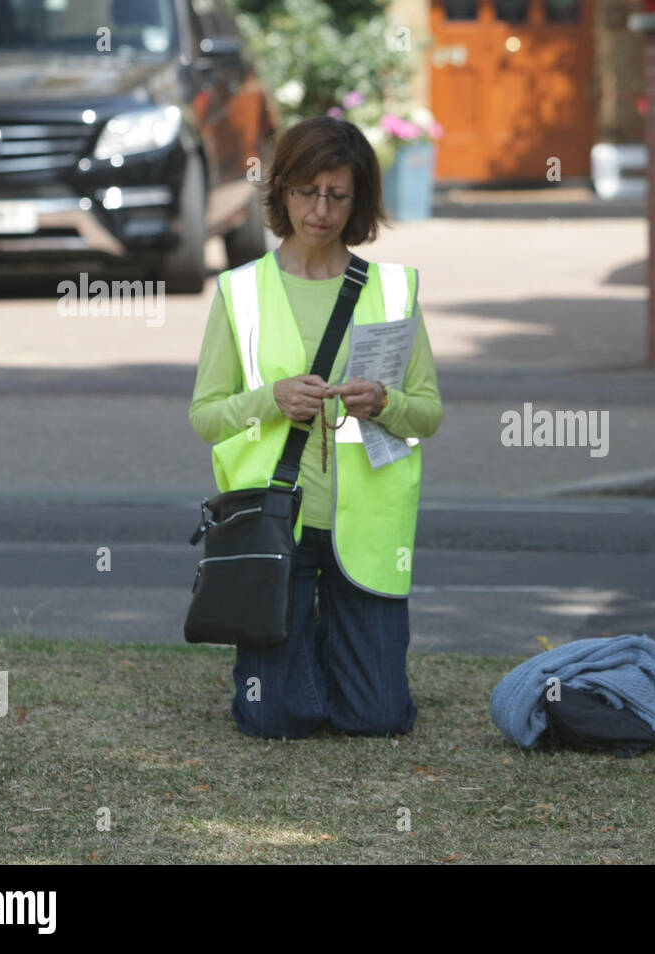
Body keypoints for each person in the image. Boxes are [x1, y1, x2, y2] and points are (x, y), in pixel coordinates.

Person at [189, 116, 444, 738]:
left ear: (358, 202)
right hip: (275, 523)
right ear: (282, 192)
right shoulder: (240, 291)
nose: (320, 211)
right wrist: (270, 399)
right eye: (307, 192)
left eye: (338, 195)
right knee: (277, 718)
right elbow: (205, 417)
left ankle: (334, 640)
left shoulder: (392, 288)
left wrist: (384, 400)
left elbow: (428, 412)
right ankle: (303, 650)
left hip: (369, 525)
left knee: (378, 719)